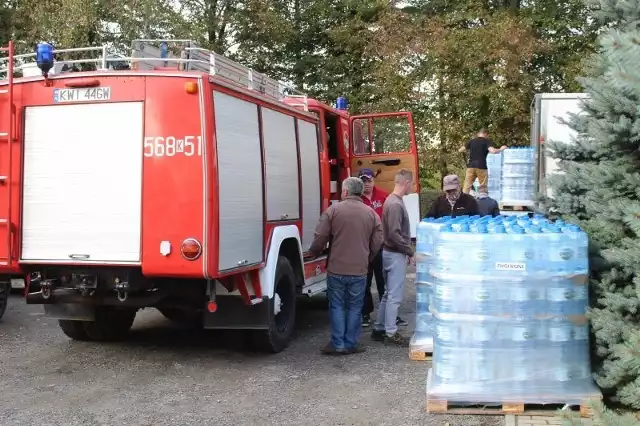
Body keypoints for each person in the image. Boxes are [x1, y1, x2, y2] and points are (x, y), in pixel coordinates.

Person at [310, 176, 383, 355]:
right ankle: (351, 343)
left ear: (345, 192)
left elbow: (320, 237)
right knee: (355, 306)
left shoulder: (333, 211)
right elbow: (378, 241)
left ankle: (337, 344)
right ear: (360, 192)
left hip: (337, 268)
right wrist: (367, 257)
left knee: (336, 305)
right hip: (359, 270)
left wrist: (314, 252)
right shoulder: (371, 214)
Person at [358, 168, 408, 328]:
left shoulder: (384, 196)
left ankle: (389, 315)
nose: (366, 184)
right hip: (363, 245)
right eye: (363, 181)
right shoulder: (356, 199)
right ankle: (365, 313)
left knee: (384, 281)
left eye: (369, 180)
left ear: (374, 180)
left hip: (381, 245)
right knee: (364, 280)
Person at [371, 169, 414, 347]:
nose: (412, 186)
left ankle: (379, 328)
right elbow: (396, 234)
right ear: (406, 183)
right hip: (395, 253)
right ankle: (391, 332)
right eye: (411, 183)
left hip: (388, 252)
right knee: (394, 296)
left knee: (388, 294)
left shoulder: (389, 200)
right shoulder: (396, 204)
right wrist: (410, 251)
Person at [458, 128, 507, 194]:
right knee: (483, 187)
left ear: (478, 134)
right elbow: (493, 151)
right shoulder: (486, 141)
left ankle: (462, 203)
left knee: (466, 187)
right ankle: (483, 202)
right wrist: (501, 149)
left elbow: (460, 150)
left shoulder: (472, 141)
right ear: (486, 134)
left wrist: (471, 151)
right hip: (481, 166)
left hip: (471, 166)